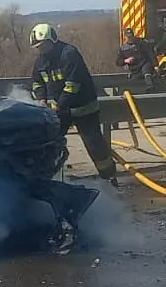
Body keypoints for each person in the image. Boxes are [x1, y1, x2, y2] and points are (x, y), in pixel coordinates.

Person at [29, 23, 118, 187]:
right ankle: (50, 181)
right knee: (50, 144)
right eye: (37, 47)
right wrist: (41, 99)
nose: (40, 50)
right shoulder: (40, 61)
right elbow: (36, 82)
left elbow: (72, 85)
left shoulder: (69, 54)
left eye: (42, 45)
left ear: (52, 40)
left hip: (83, 108)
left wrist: (58, 106)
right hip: (60, 111)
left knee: (94, 145)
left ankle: (110, 178)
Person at [116, 28, 166, 123]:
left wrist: (156, 66)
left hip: (146, 67)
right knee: (135, 93)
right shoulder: (123, 48)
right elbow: (118, 62)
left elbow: (151, 54)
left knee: (147, 71)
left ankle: (151, 87)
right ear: (125, 37)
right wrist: (126, 60)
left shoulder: (142, 43)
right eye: (128, 37)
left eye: (132, 36)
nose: (130, 38)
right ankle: (138, 116)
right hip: (135, 71)